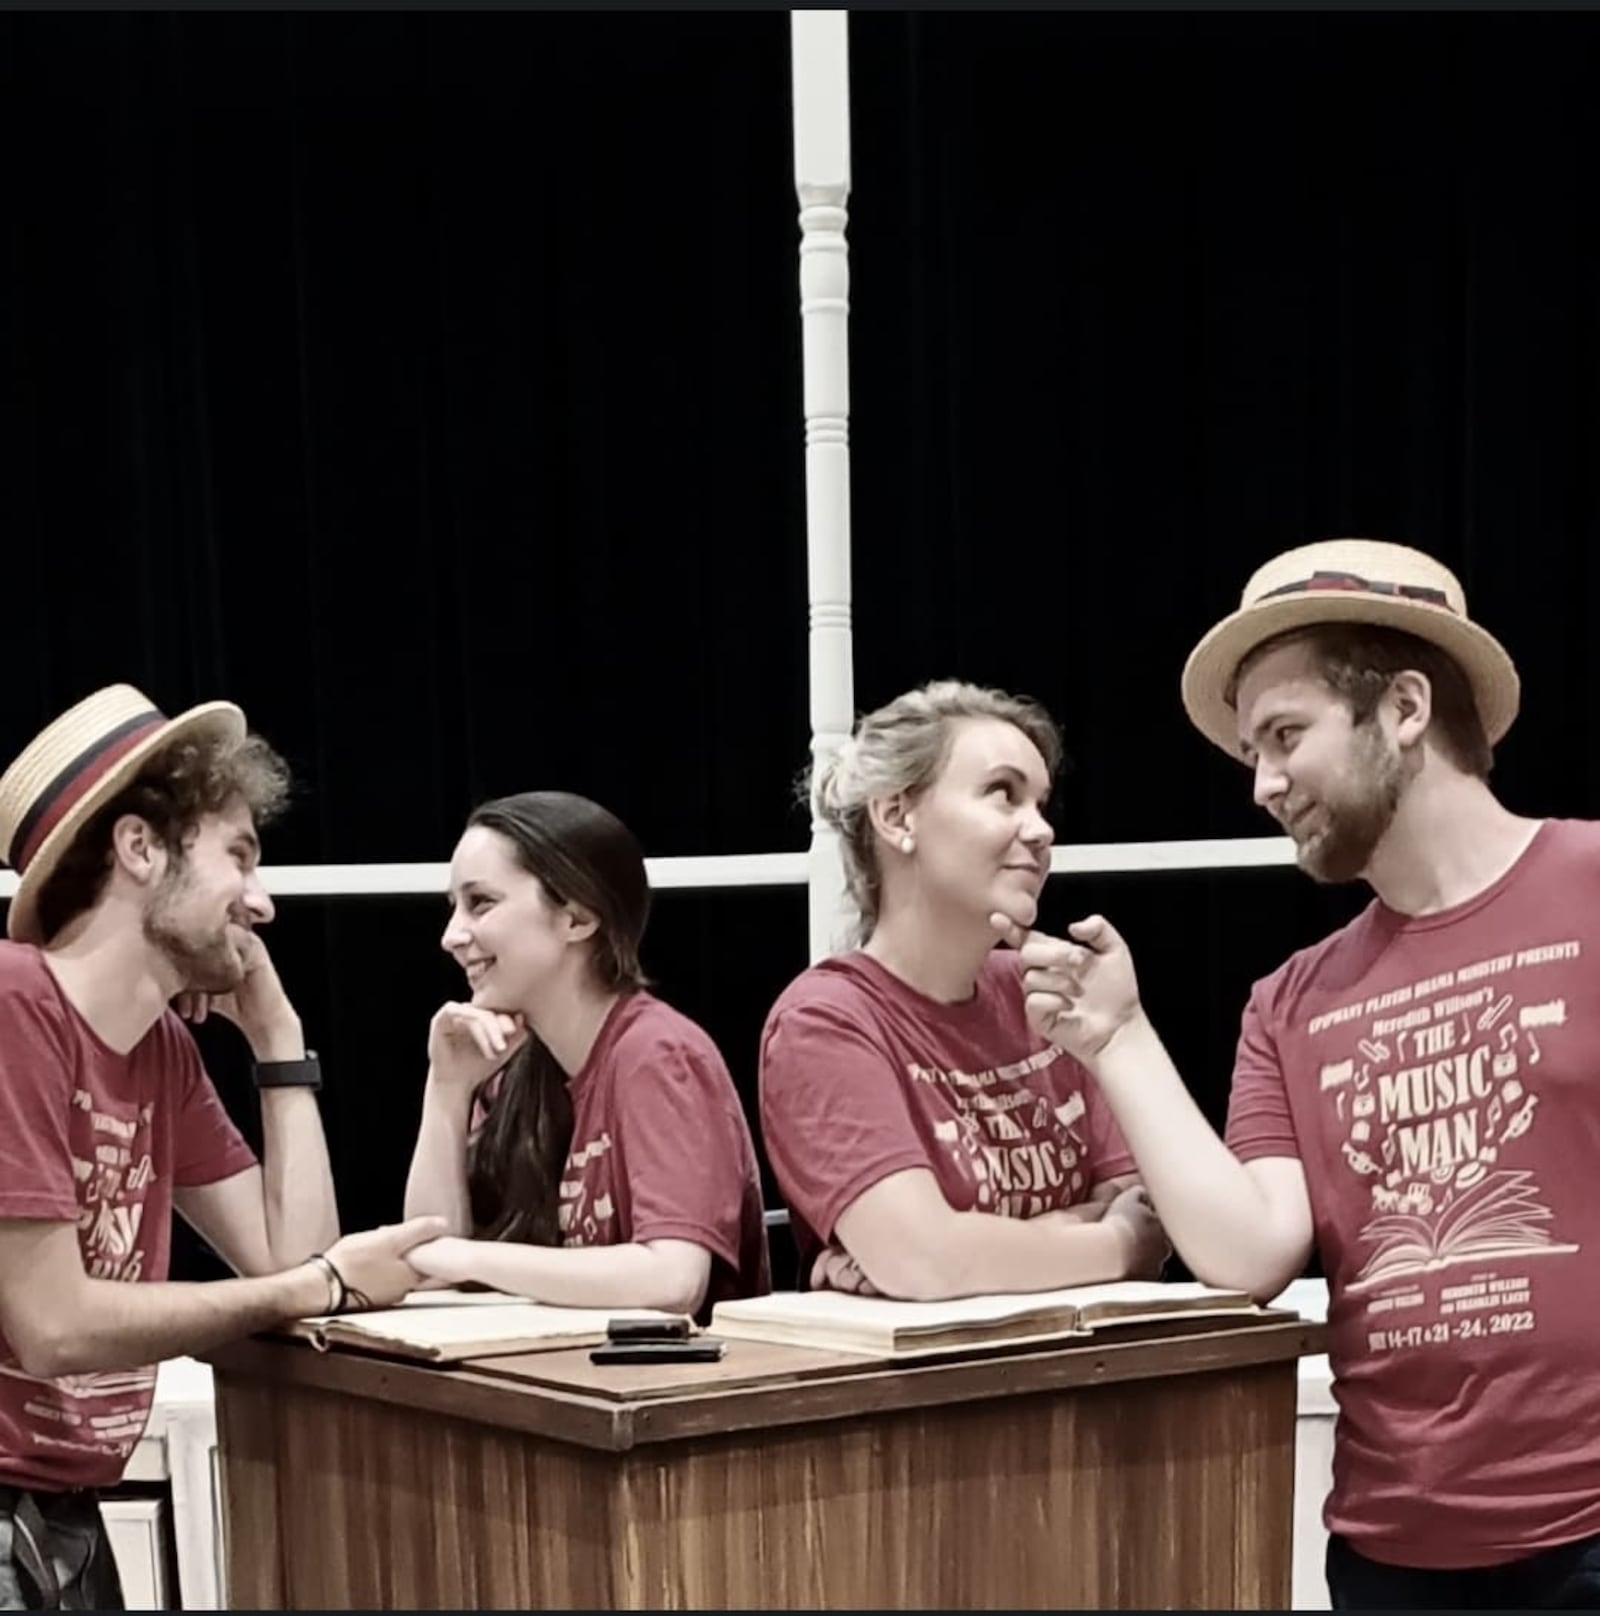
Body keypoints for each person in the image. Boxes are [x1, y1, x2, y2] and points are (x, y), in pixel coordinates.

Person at [1008, 539, 1600, 1609]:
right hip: (1386, 1553)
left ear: (1406, 706)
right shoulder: (1291, 997)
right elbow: (1248, 1252)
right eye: (1250, 752)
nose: (1263, 784)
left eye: (1285, 736)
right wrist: (1119, 1038)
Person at [0, 684, 443, 1612]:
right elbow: (54, 1327)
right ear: (138, 848)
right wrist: (312, 1289)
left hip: (60, 1516)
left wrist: (279, 1039)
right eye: (239, 856)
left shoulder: (161, 1051)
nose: (264, 901)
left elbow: (295, 1248)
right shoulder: (13, 1005)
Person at [757, 679, 1168, 1300]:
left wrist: (970, 1251)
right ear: (897, 816)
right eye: (1003, 794)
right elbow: (927, 1261)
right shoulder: (825, 1022)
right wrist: (1112, 1243)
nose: (1041, 831)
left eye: (1041, 804)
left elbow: (1151, 1208)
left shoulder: (1046, 990)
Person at [402, 790, 770, 1318]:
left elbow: (672, 1279)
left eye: (480, 902)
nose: (451, 936)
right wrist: (447, 1091)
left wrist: (471, 1259)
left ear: (577, 918)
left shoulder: (657, 1053)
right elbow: (432, 1263)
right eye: (453, 907)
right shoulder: (515, 1070)